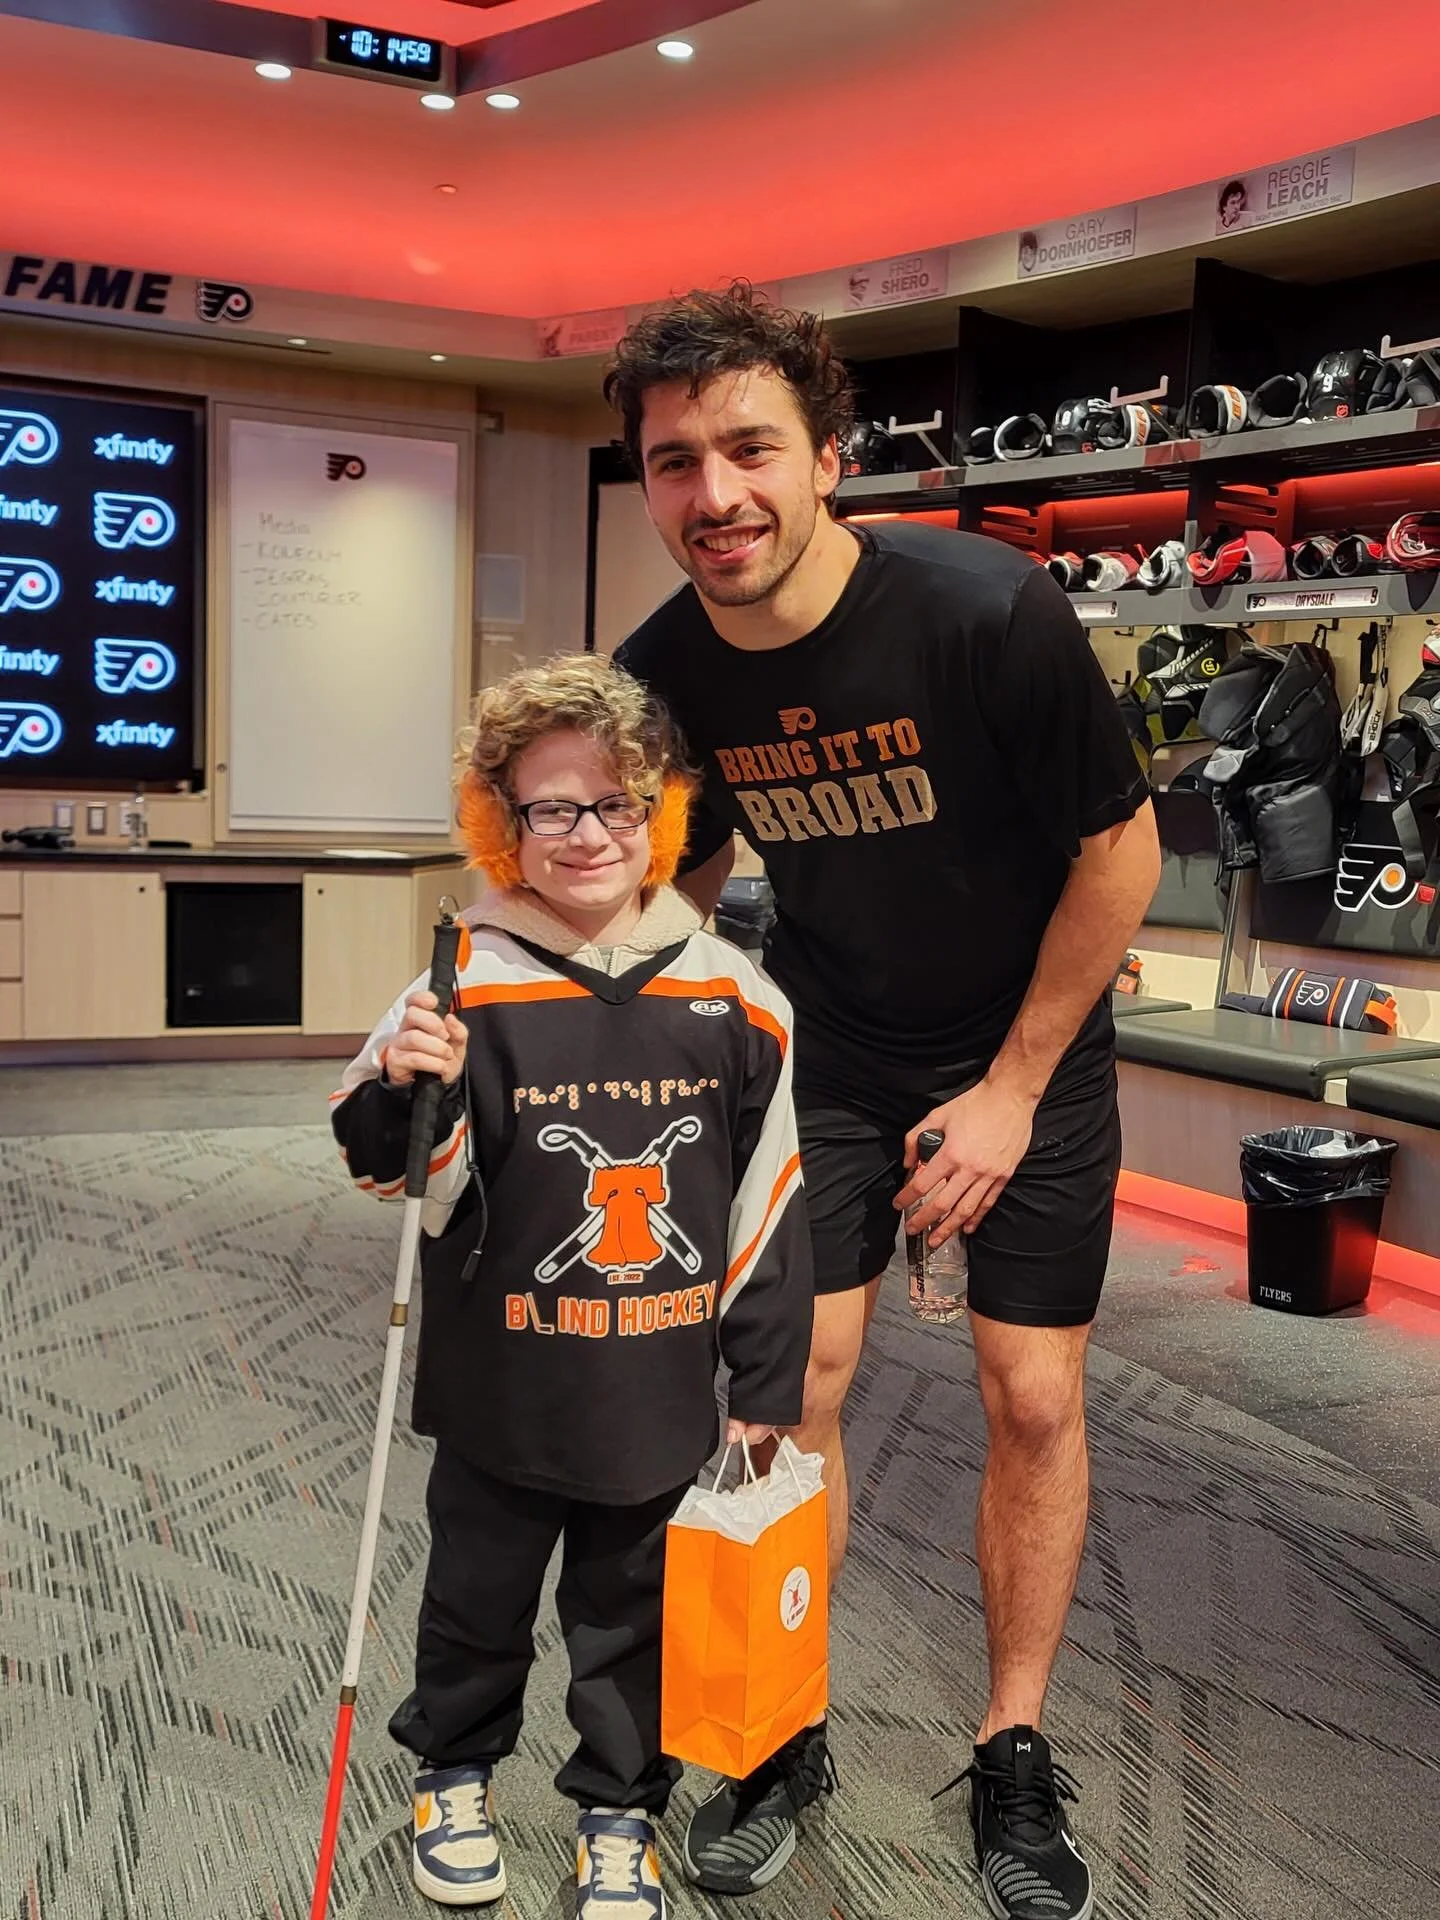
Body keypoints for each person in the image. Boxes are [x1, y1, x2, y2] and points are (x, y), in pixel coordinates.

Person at [607, 283, 1161, 1920]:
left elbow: (1120, 855)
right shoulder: (662, 665)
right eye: (674, 461)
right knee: (795, 1383)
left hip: (1028, 1041)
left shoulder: (986, 613)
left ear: (830, 454)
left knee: (1029, 1395)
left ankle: (1010, 1741)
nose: (716, 495)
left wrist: (1007, 1090)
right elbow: (678, 882)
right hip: (836, 1043)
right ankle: (779, 1723)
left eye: (752, 447)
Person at [330, 654, 813, 1916]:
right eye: (550, 808)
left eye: (612, 804)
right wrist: (402, 1081)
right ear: (503, 822)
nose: (585, 834)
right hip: (500, 1385)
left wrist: (764, 1382)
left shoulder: (735, 995)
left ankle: (618, 1813)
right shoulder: (462, 985)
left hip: (655, 1393)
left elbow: (768, 1196)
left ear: (660, 813)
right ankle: (455, 1774)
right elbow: (394, 1173)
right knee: (474, 1606)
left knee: (631, 1622)